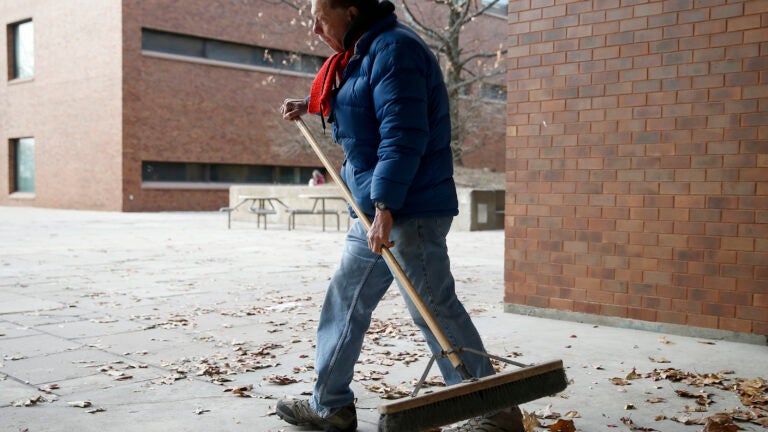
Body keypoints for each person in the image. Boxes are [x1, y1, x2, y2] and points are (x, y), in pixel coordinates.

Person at [278, 0, 523, 431]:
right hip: (373, 207)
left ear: (350, 11)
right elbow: (364, 110)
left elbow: (403, 134)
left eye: (320, 17)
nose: (315, 29)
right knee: (345, 300)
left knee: (433, 307)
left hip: (407, 210)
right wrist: (314, 106)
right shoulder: (361, 55)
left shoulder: (395, 51)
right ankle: (330, 405)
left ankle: (493, 409)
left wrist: (386, 208)